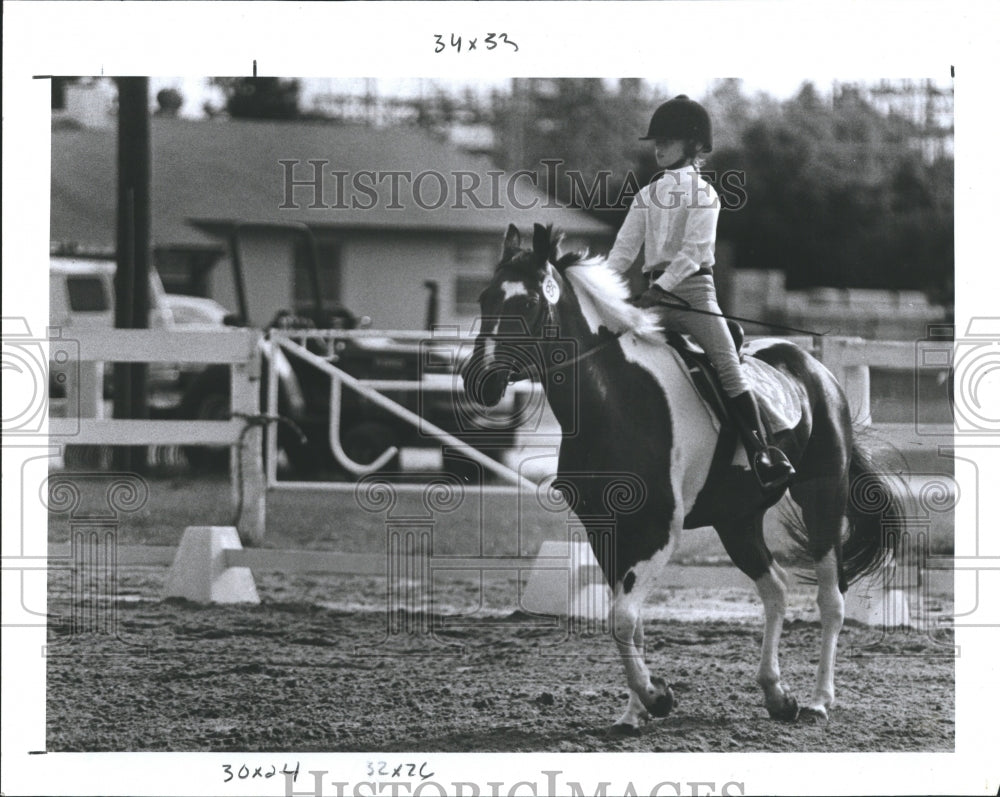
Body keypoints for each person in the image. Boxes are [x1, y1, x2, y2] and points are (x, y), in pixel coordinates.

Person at [606, 95, 794, 492]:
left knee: (727, 364)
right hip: (651, 299)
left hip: (693, 297)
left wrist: (659, 290)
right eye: (656, 141)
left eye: (667, 140)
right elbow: (622, 253)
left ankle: (762, 452)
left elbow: (693, 254)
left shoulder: (705, 194)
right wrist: (600, 289)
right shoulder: (646, 196)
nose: (658, 147)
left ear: (692, 145)